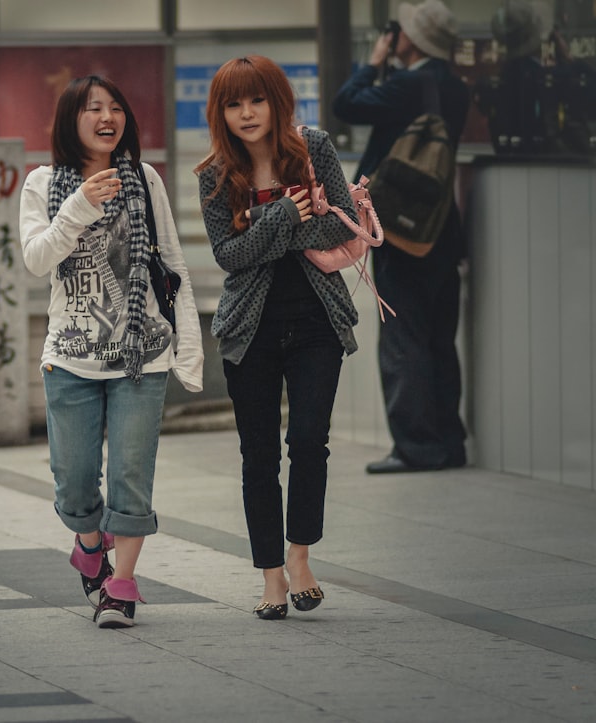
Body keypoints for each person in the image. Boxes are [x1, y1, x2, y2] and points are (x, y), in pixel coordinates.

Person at [19, 75, 203, 628]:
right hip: (70, 357)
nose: (108, 116)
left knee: (130, 474)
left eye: (117, 107)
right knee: (75, 485)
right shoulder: (42, 182)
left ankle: (121, 586)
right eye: (94, 107)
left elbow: (172, 264)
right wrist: (78, 205)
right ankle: (89, 541)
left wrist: (187, 347)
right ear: (71, 119)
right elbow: (35, 259)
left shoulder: (144, 179)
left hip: (140, 357)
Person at [196, 55, 361, 620]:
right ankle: (270, 579)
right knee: (259, 456)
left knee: (310, 441)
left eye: (256, 100)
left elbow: (342, 222)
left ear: (277, 101)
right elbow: (230, 257)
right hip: (250, 331)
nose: (246, 113)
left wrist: (276, 226)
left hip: (317, 319)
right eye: (233, 104)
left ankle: (299, 557)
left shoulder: (312, 147)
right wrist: (285, 218)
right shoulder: (214, 174)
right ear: (220, 112)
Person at [332, 0, 469, 474]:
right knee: (438, 339)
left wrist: (373, 64)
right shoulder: (455, 87)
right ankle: (449, 442)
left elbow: (345, 104)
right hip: (440, 229)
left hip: (398, 228)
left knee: (403, 338)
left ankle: (414, 446)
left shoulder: (407, 84)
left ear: (412, 39)